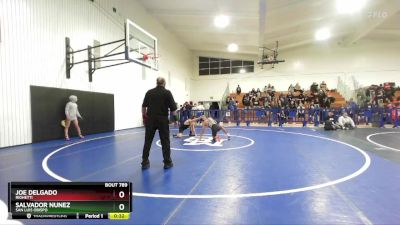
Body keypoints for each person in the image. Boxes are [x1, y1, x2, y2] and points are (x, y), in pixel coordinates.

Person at [141, 77, 177, 169]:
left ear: (156, 83)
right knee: (165, 141)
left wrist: (144, 117)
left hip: (151, 119)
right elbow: (173, 109)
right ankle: (167, 163)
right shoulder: (167, 92)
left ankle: (144, 162)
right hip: (162, 119)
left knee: (147, 140)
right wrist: (175, 119)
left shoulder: (149, 92)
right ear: (164, 83)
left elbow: (144, 107)